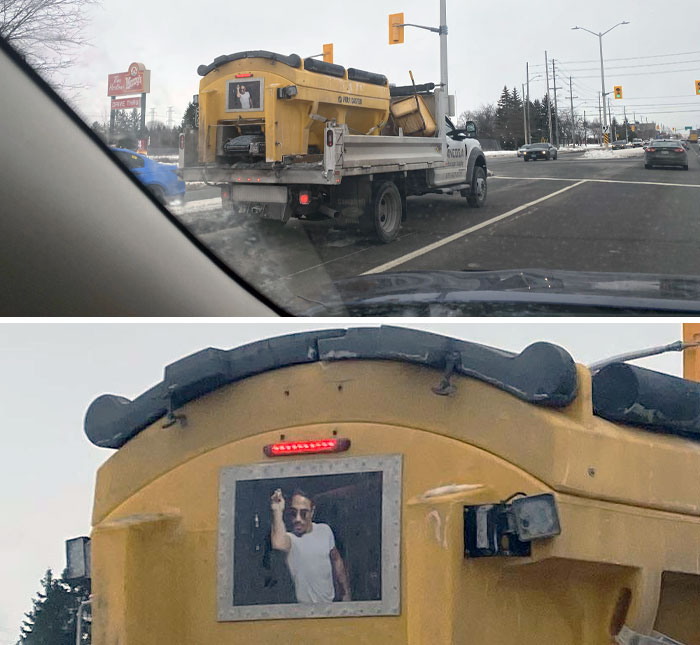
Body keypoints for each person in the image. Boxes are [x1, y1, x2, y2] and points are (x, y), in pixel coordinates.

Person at [270, 488, 351, 603]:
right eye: (294, 513)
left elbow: (336, 559)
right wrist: (277, 510)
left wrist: (345, 594)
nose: (297, 519)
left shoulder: (325, 530)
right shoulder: (291, 539)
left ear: (312, 512)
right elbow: (278, 543)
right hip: (305, 612)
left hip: (330, 606)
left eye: (303, 513)